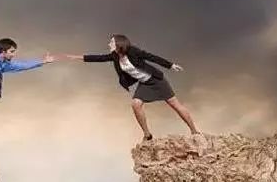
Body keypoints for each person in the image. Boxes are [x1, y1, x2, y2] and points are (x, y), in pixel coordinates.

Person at [67, 34, 199, 141]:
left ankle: (195, 131)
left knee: (175, 105)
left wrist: (170, 65)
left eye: (111, 42)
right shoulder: (115, 56)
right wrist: (76, 57)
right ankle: (147, 134)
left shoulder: (132, 51)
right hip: (144, 83)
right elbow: (98, 58)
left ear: (119, 43)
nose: (109, 44)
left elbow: (151, 57)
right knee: (135, 104)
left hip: (156, 81)